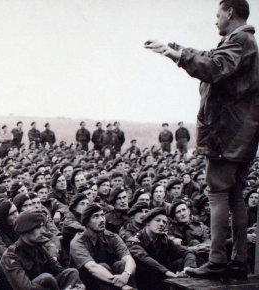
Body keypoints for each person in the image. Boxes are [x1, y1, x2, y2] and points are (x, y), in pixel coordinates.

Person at [145, 0, 259, 279]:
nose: (215, 20)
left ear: (230, 13)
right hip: (240, 134)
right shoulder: (242, 42)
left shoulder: (239, 41)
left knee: (217, 194)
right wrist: (177, 51)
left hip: (226, 134)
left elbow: (212, 67)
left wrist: (177, 56)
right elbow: (209, 56)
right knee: (235, 197)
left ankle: (218, 260)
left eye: (218, 14)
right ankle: (238, 260)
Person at [0, 210, 85, 290]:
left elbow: (58, 269)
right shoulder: (11, 256)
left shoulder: (39, 247)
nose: (43, 231)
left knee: (71, 273)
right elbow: (25, 288)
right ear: (26, 230)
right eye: (38, 227)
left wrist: (77, 285)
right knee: (46, 278)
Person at [70, 203, 136, 290]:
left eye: (102, 215)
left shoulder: (112, 236)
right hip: (85, 283)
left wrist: (126, 275)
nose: (102, 220)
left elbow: (129, 259)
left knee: (121, 265)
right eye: (96, 216)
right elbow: (92, 267)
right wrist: (121, 284)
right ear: (86, 222)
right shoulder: (78, 242)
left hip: (109, 280)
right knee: (103, 266)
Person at [126, 208, 196, 289]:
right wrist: (167, 272)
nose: (161, 224)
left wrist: (187, 269)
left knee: (181, 261)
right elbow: (144, 258)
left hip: (161, 277)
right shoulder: (134, 240)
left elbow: (187, 252)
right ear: (148, 222)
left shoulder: (163, 239)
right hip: (144, 280)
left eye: (164, 222)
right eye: (158, 220)